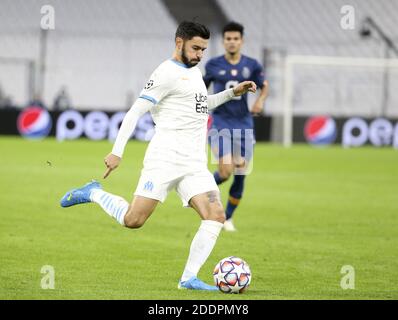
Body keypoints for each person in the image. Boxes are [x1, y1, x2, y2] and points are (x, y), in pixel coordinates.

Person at [60, 21, 257, 291]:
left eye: (203, 49)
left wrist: (232, 93)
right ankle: (93, 192)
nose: (200, 54)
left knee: (216, 215)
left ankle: (188, 278)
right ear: (179, 43)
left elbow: (202, 105)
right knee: (134, 220)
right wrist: (117, 152)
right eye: (196, 48)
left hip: (194, 164)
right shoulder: (165, 73)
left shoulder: (195, 72)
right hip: (164, 160)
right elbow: (134, 112)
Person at [203, 22, 269, 232]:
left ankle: (227, 217)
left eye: (235, 39)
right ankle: (201, 189)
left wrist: (260, 101)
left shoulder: (252, 64)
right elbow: (201, 88)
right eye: (228, 39)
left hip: (244, 123)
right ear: (223, 41)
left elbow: (264, 85)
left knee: (241, 171)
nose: (232, 42)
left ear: (242, 41)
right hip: (221, 121)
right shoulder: (213, 64)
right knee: (225, 171)